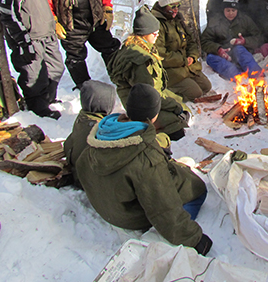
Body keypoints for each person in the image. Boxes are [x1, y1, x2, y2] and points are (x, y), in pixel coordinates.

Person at [76, 83, 212, 255]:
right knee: (197, 188)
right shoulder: (144, 154)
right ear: (154, 115)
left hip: (106, 202)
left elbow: (81, 165)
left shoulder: (106, 130)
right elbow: (162, 204)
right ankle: (164, 236)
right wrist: (194, 239)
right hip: (127, 215)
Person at [0, 0, 65, 120]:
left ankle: (47, 100)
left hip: (46, 33)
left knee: (55, 68)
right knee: (34, 75)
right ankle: (38, 109)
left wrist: (53, 23)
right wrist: (23, 40)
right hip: (29, 37)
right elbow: (9, 13)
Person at [107, 6, 189, 140]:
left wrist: (176, 104)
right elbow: (149, 95)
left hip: (146, 97)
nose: (157, 36)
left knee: (183, 107)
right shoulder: (139, 61)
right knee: (176, 121)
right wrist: (174, 107)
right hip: (140, 106)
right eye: (154, 34)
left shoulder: (141, 46)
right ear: (143, 33)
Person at [152, 0, 212, 102]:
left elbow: (190, 42)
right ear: (164, 6)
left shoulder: (178, 20)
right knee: (195, 93)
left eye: (177, 6)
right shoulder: (158, 24)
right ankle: (167, 92)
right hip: (171, 70)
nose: (176, 10)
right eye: (172, 6)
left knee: (206, 87)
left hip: (186, 66)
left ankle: (187, 82)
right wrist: (183, 60)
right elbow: (160, 54)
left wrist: (192, 56)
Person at [201, 0, 264, 80]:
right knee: (210, 58)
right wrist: (218, 49)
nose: (231, 13)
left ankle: (257, 75)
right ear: (223, 10)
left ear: (237, 10)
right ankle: (238, 77)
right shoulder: (215, 21)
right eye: (228, 10)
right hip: (222, 53)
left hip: (239, 51)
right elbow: (204, 41)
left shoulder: (244, 20)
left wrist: (244, 41)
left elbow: (257, 37)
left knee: (239, 49)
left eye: (233, 10)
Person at [64, 80, 116, 188]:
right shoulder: (98, 129)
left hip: (78, 173)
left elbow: (69, 144)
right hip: (89, 182)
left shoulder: (83, 119)